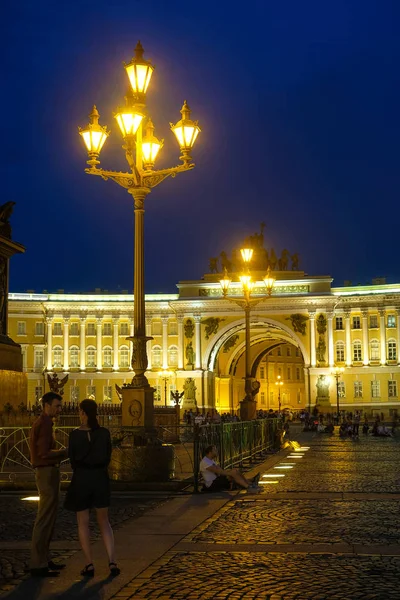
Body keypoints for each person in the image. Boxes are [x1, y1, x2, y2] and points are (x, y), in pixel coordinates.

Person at [64, 399, 120, 578]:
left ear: (82, 413)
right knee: (104, 521)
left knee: (83, 522)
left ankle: (89, 564)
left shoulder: (74, 435)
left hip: (81, 478)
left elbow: (72, 459)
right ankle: (112, 561)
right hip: (100, 478)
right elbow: (108, 455)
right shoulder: (104, 433)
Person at [29, 391, 68, 577]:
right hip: (46, 472)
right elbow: (44, 453)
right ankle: (38, 563)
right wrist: (64, 452)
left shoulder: (44, 423)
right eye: (57, 406)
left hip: (46, 471)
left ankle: (44, 558)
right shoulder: (44, 424)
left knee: (48, 518)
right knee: (44, 518)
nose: (60, 409)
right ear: (47, 406)